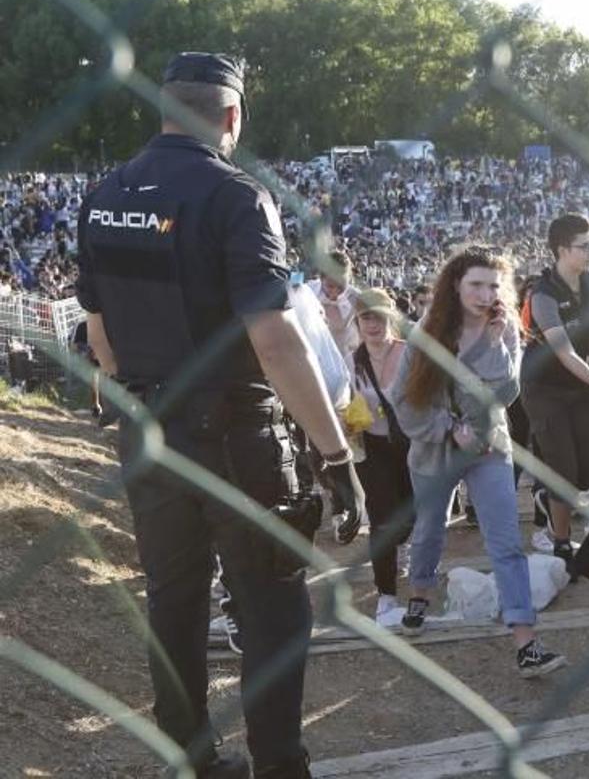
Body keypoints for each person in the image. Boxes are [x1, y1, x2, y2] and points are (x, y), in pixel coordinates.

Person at [75, 52, 364, 779]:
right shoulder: (235, 196)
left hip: (150, 434)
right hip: (239, 437)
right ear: (231, 116)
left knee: (174, 604)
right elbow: (274, 339)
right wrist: (336, 457)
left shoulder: (104, 192)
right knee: (271, 610)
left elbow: (98, 328)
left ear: (163, 107)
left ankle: (193, 757)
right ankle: (279, 765)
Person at [394, 247, 567, 678]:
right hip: (436, 451)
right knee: (430, 529)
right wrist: (448, 430)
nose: (485, 293)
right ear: (455, 284)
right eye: (476, 284)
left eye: (493, 285)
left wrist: (497, 343)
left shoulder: (504, 329)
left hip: (488, 446)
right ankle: (419, 592)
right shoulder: (425, 333)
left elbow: (507, 394)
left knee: (506, 542)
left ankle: (526, 641)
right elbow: (404, 403)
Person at [520, 213, 589, 569]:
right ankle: (562, 543)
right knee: (563, 472)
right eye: (585, 246)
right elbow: (563, 351)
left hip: (582, 384)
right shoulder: (543, 295)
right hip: (545, 387)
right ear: (563, 250)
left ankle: (543, 495)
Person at [344, 288, 414, 628]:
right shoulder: (351, 362)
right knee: (383, 518)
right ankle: (386, 595)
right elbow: (340, 404)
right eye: (365, 317)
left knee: (411, 513)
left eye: (378, 316)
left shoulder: (410, 354)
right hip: (372, 450)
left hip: (414, 447)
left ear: (392, 317)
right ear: (357, 322)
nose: (373, 324)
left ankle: (402, 543)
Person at [307, 250, 359, 356]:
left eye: (341, 287)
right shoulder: (308, 291)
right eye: (330, 286)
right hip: (313, 353)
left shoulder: (357, 298)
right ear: (321, 279)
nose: (335, 292)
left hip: (344, 357)